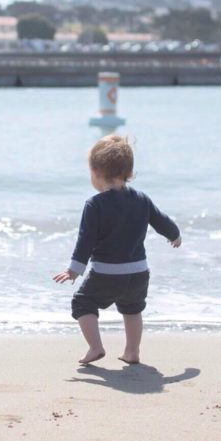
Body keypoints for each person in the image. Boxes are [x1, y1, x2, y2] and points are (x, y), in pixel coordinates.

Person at [53, 135, 180, 365]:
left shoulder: (95, 204)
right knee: (132, 309)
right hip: (138, 274)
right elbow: (162, 221)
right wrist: (175, 235)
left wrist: (74, 270)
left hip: (106, 274)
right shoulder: (142, 199)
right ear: (128, 172)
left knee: (83, 302)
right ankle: (132, 352)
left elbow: (86, 240)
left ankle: (95, 347)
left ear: (96, 172)